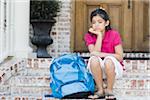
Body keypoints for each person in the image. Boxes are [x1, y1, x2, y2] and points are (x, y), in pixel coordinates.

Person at [84, 7, 124, 99]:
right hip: (97, 69)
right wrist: (99, 35)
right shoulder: (89, 36)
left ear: (106, 23)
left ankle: (109, 90)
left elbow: (120, 57)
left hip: (114, 69)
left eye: (100, 22)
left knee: (108, 60)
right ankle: (100, 90)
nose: (96, 25)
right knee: (94, 59)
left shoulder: (114, 34)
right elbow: (94, 54)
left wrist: (103, 55)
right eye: (94, 22)